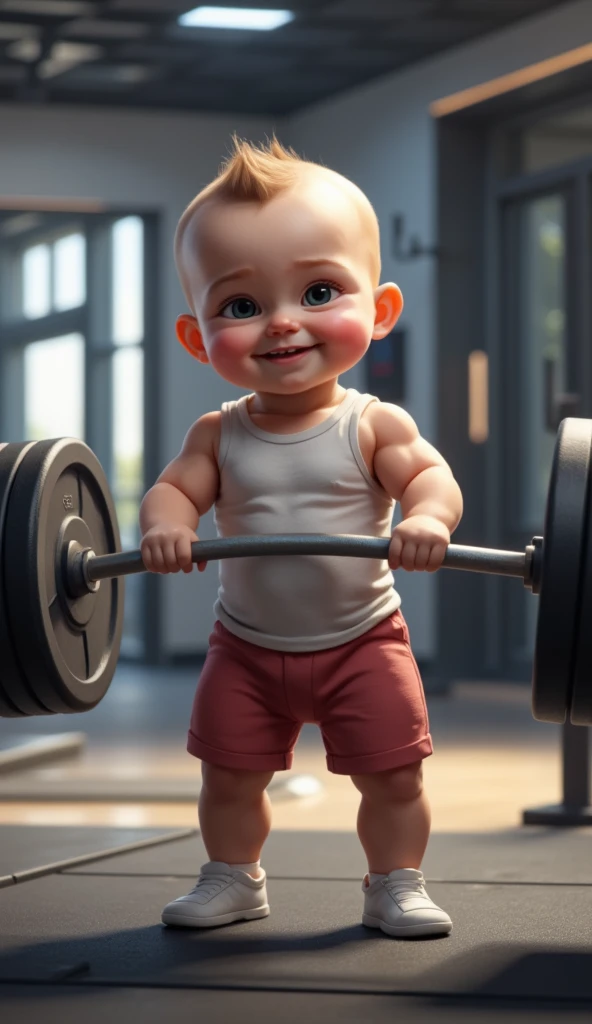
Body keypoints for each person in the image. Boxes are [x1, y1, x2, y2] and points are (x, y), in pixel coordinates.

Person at [139, 135, 463, 939]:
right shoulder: (218, 434)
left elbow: (430, 478)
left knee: (394, 778)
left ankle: (396, 884)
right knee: (228, 779)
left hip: (363, 640)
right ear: (197, 337)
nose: (282, 323)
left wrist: (426, 519)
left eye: (319, 290)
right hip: (245, 646)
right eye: (241, 307)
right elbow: (174, 491)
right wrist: (166, 528)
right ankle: (232, 879)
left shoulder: (374, 422)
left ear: (380, 311)